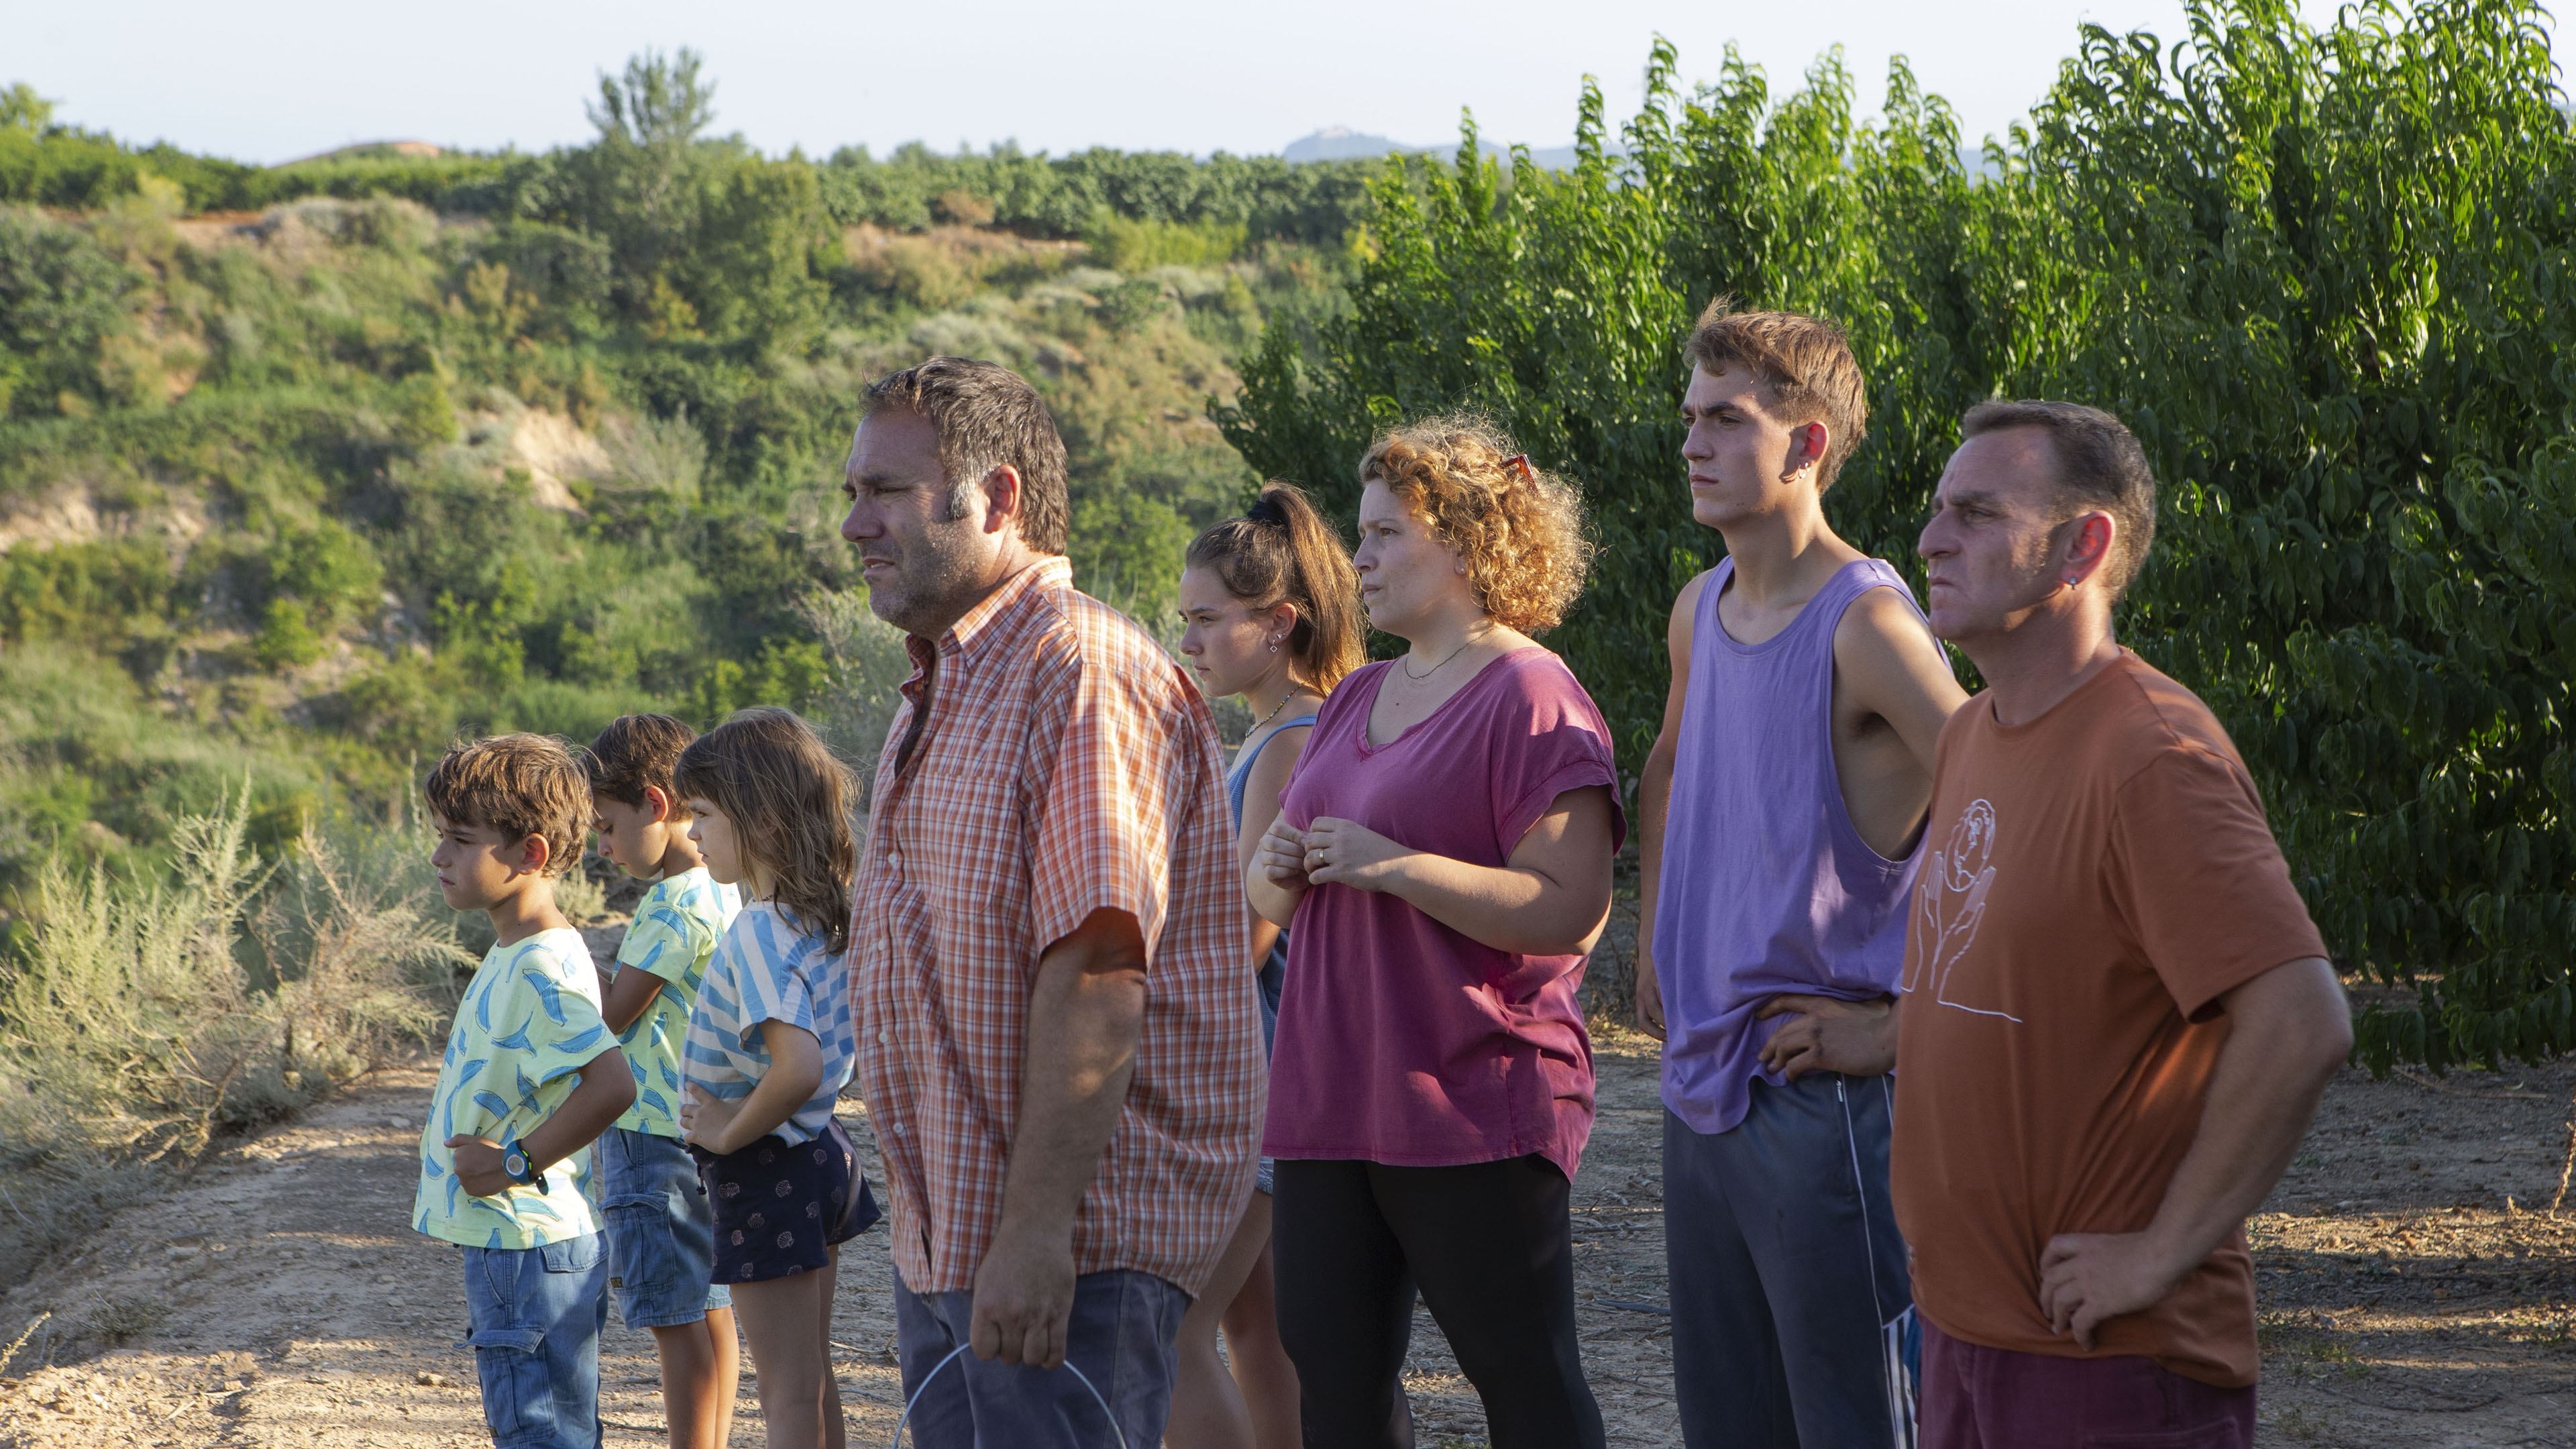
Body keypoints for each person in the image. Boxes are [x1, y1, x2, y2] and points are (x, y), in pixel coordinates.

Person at [1896, 400, 2351, 1447]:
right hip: (1967, 1338)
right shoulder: (1972, 731)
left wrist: (2157, 1251)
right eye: (1935, 510)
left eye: (1973, 513)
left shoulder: (2151, 757)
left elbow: (2302, 1021)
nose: (1929, 539)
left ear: (2081, 547)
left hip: (2105, 1368)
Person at [839, 356, 1263, 1449]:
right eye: (853, 493)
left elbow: (1100, 971)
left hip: (1070, 1251)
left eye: (886, 490)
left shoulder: (1081, 672)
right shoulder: (940, 688)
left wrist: (1034, 1236)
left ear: (1000, 497)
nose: (855, 524)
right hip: (954, 1245)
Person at [1247, 417, 1623, 1449]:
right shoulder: (1356, 693)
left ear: (1463, 543)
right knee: (1337, 1392)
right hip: (1327, 1099)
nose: (1356, 559)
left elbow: (1569, 907)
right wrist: (1275, 865)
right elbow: (1267, 896)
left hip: (1469, 1100)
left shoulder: (1532, 692)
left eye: (1383, 535)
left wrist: (1392, 865)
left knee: (1528, 1387)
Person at [1631, 305, 1967, 1446]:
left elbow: (2010, 817)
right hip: (1703, 1080)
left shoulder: (1867, 623)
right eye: (1689, 418)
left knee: (1856, 1427)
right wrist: (1660, 941)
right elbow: (1671, 766)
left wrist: (1901, 1027)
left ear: (1808, 444)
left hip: (1824, 1097)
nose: (1692, 444)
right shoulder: (1698, 606)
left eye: (1727, 421)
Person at [1166, 482, 1362, 1449]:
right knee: (1259, 1332)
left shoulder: (1292, 739)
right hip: (1270, 1076)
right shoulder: (1278, 730)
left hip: (1251, 1080)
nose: (1189, 642)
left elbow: (1250, 929)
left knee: (1172, 1335)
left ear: (1278, 622)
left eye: (1207, 619)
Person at [413, 733, 635, 1449]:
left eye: (459, 839)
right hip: (527, 1246)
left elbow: (612, 1084)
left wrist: (513, 1162)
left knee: (538, 1434)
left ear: (530, 854)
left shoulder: (541, 961)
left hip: (524, 1246)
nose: (439, 856)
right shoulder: (520, 945)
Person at [674, 708, 879, 1449]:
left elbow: (797, 1067)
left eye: (702, 813)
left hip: (767, 1166)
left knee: (785, 1392)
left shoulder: (761, 929)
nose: (691, 832)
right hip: (815, 1156)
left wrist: (727, 1130)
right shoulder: (812, 915)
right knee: (811, 1377)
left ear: (757, 821)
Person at [582, 713, 743, 1449]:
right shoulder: (723, 886)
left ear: (655, 803)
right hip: (702, 1133)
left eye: (608, 827)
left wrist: (565, 958)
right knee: (712, 1314)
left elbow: (612, 1017)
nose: (605, 847)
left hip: (652, 1141)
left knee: (676, 1329)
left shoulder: (674, 902)